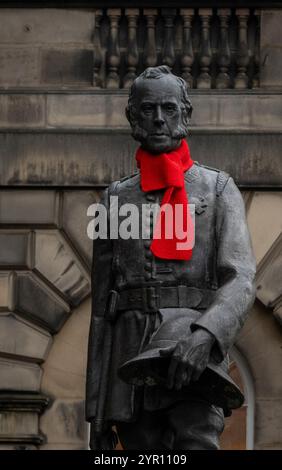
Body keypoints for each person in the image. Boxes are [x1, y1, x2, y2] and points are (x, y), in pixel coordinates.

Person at [85, 65, 256, 450]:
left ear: (185, 114)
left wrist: (207, 336)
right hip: (130, 371)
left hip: (193, 358)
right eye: (148, 109)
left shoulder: (218, 189)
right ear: (133, 117)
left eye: (168, 108)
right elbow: (101, 309)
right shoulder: (114, 198)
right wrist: (96, 406)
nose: (159, 118)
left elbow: (241, 277)